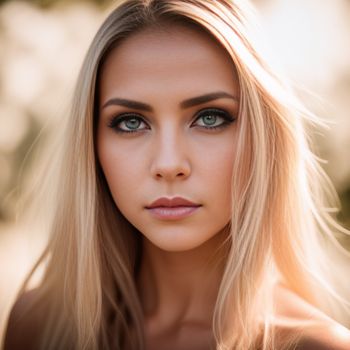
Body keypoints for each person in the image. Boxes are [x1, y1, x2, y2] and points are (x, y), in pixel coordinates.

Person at [3, 0, 350, 349]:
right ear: (91, 145)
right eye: (131, 122)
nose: (168, 164)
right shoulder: (40, 325)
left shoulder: (315, 345)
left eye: (210, 118)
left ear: (266, 136)